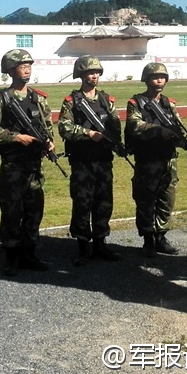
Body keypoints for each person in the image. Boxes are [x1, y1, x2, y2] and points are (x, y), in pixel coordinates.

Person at [0, 49, 54, 277]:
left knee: (34, 210)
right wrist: (16, 137)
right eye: (23, 66)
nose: (27, 69)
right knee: (12, 211)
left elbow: (47, 127)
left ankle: (29, 253)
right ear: (11, 70)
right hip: (13, 166)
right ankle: (11, 256)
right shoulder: (1, 98)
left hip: (34, 166)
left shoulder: (38, 98)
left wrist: (49, 143)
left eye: (29, 65)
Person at [57, 55, 123, 265]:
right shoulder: (72, 102)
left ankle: (101, 243)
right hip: (82, 161)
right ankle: (83, 246)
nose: (94, 76)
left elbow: (114, 127)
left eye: (96, 72)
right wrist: (87, 133)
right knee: (83, 202)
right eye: (90, 73)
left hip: (103, 160)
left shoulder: (106, 100)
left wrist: (117, 143)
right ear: (81, 75)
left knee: (104, 202)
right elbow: (64, 128)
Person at [125, 62, 187, 257]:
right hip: (147, 159)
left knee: (166, 199)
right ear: (147, 80)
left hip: (168, 159)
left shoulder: (169, 103)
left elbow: (178, 125)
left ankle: (161, 236)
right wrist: (158, 130)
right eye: (155, 77)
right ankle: (148, 239)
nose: (159, 80)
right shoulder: (136, 103)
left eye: (162, 77)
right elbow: (135, 125)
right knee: (146, 199)